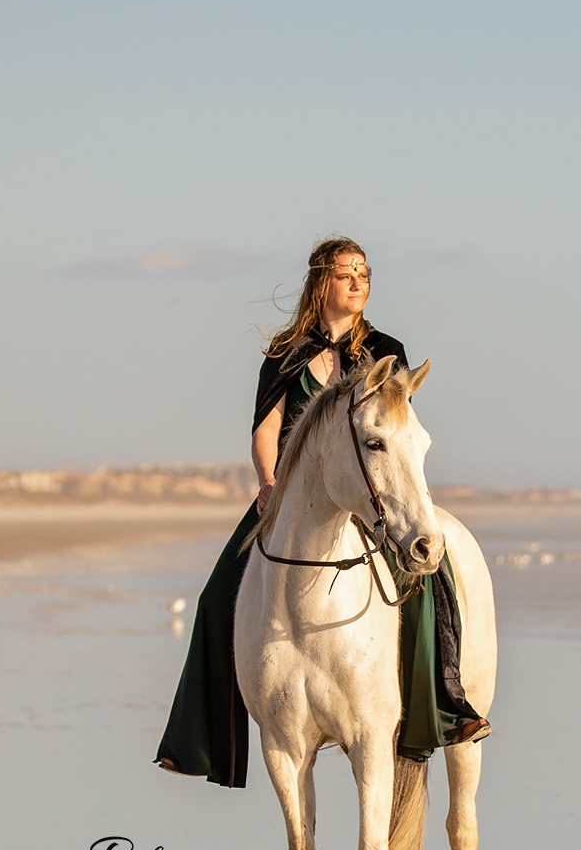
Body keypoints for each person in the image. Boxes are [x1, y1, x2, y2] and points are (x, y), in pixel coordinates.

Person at [155, 236, 486, 787]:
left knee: (434, 581)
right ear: (321, 282)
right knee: (218, 596)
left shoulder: (385, 350)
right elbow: (265, 429)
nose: (359, 281)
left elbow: (397, 431)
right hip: (295, 495)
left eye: (365, 272)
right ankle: (204, 738)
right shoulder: (287, 352)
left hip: (368, 493)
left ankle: (445, 705)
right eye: (346, 273)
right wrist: (267, 482)